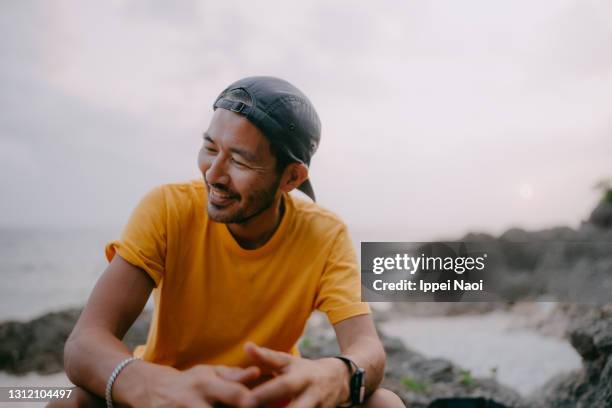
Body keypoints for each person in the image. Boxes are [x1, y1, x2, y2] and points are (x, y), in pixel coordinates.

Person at [55, 76, 405, 407]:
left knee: (385, 403)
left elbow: (366, 347)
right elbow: (84, 343)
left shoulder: (325, 234)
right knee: (70, 403)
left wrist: (339, 373)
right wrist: (152, 383)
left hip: (266, 399)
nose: (213, 173)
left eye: (239, 160)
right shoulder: (167, 208)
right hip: (168, 396)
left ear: (291, 177)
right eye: (210, 147)